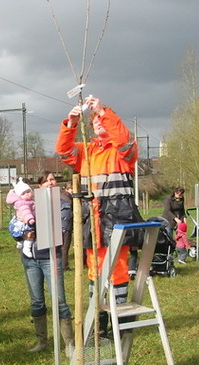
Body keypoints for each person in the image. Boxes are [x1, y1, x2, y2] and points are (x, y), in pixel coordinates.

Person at [55, 95, 142, 336]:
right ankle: (100, 320)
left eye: (102, 120)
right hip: (91, 220)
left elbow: (124, 140)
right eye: (95, 122)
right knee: (94, 270)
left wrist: (103, 111)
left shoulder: (123, 152)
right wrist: (71, 123)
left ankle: (119, 320)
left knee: (117, 269)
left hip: (117, 220)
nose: (99, 124)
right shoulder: (86, 151)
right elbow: (63, 151)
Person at [16, 171, 73, 355]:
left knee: (60, 300)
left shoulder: (62, 203)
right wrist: (23, 233)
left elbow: (62, 227)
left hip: (52, 258)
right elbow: (16, 226)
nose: (50, 182)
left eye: (53, 179)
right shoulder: (28, 203)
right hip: (31, 258)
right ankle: (41, 342)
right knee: (37, 302)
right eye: (46, 180)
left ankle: (69, 344)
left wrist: (34, 225)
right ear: (39, 185)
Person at [6, 178, 36, 258]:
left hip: (22, 222)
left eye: (28, 192)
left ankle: (20, 243)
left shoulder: (30, 201)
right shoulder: (22, 203)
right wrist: (30, 219)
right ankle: (26, 248)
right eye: (24, 193)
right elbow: (26, 212)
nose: (27, 194)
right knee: (30, 236)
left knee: (24, 235)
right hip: (27, 222)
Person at [61, 181, 73, 271]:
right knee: (65, 246)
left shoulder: (62, 197)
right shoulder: (68, 199)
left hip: (63, 224)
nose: (72, 190)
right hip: (65, 225)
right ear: (67, 189)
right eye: (71, 189)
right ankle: (64, 266)